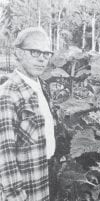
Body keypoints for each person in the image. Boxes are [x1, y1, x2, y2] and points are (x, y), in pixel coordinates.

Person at [0, 27, 55, 201]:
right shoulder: (8, 94)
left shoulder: (41, 86)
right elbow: (4, 153)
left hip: (43, 175)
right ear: (18, 53)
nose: (42, 59)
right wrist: (15, 194)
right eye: (34, 52)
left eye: (46, 53)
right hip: (24, 187)